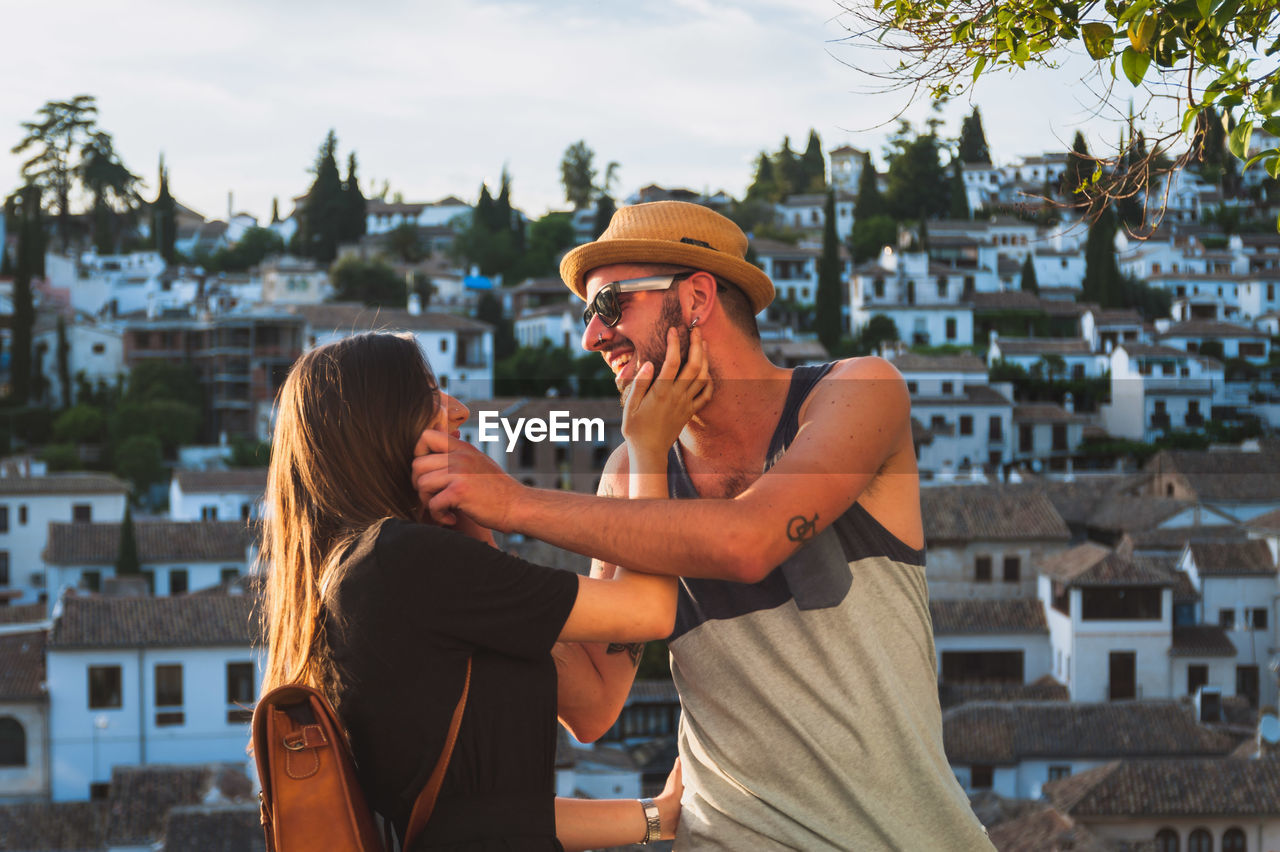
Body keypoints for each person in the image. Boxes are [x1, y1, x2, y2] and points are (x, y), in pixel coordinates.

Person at [413, 202, 995, 850]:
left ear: (695, 297)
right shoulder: (630, 471)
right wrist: (470, 537)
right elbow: (593, 703)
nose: (591, 338)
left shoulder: (857, 392)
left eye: (608, 307)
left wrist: (513, 502)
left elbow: (750, 541)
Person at [259, 330, 709, 851]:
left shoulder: (363, 576)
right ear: (382, 423)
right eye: (430, 395)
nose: (458, 410)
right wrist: (649, 450)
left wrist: (654, 818)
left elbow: (591, 708)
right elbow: (650, 611)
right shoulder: (400, 560)